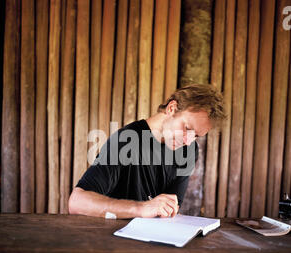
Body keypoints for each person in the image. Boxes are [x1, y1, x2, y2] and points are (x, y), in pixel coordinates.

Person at [68, 83, 226, 219]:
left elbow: (168, 210)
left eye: (196, 135)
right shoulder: (127, 139)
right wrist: (141, 208)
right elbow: (76, 202)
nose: (187, 140)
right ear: (172, 108)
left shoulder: (189, 151)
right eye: (187, 128)